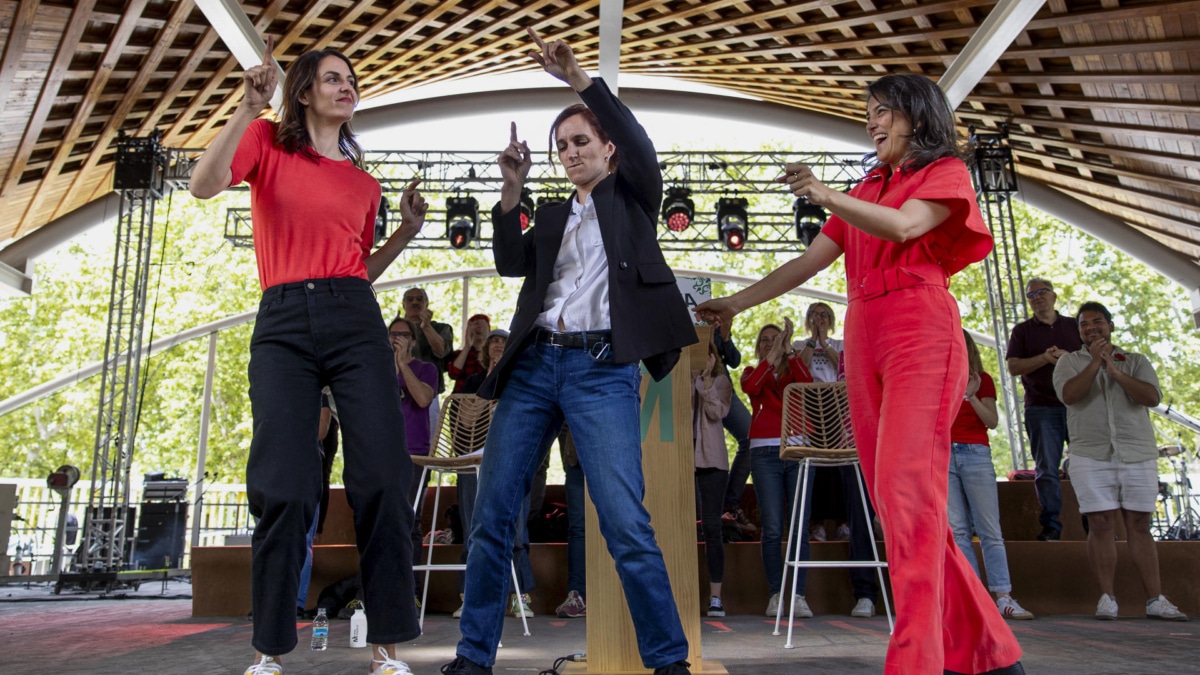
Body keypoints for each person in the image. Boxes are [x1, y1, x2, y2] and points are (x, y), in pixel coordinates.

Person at [695, 73, 1023, 674]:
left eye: (883, 112)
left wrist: (824, 193)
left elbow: (903, 227)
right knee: (900, 505)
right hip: (866, 340)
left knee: (906, 495)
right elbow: (808, 262)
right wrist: (736, 305)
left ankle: (917, 661)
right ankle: (992, 652)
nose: (872, 122)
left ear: (917, 118)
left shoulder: (942, 171)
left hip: (921, 331)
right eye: (868, 112)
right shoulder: (867, 186)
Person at [441, 28, 697, 675]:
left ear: (607, 147)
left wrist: (580, 78)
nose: (571, 152)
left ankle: (669, 663)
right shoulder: (551, 214)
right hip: (532, 368)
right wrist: (510, 189)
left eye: (581, 140)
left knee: (624, 521)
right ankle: (473, 658)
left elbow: (641, 145)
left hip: (601, 369)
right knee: (493, 514)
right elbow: (506, 262)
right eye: (562, 146)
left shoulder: (633, 196)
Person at [188, 38, 426, 675]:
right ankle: (268, 652)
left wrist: (403, 231)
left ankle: (387, 649)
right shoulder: (266, 142)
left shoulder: (364, 183)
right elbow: (202, 185)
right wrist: (245, 108)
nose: (347, 86)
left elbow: (356, 269)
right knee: (287, 488)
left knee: (381, 478)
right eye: (332, 78)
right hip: (284, 320)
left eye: (351, 79)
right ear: (303, 91)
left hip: (354, 319)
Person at [1052, 302, 1188, 622]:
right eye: (1084, 325)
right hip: (1090, 453)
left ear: (1110, 326)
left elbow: (1151, 398)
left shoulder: (1136, 360)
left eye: (1097, 322)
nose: (1091, 328)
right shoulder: (1069, 362)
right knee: (1100, 524)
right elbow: (1070, 395)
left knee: (1139, 524)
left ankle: (1155, 600)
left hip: (1136, 451)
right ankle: (1107, 598)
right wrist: (1095, 365)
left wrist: (1113, 370)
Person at [795, 301, 880, 619]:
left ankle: (867, 589)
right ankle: (820, 523)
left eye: (824, 316)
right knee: (817, 473)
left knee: (857, 499)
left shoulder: (844, 347)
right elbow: (800, 372)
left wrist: (826, 344)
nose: (819, 319)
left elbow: (844, 371)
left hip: (848, 418)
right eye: (814, 316)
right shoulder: (800, 344)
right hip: (812, 409)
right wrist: (810, 342)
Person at [950, 330, 1035, 621]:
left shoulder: (982, 379)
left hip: (975, 453)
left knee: (989, 529)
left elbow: (992, 421)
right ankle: (975, 597)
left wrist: (970, 395)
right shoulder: (936, 378)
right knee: (958, 530)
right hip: (943, 453)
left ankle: (1004, 596)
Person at [742, 320, 815, 618]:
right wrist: (769, 360)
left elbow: (807, 385)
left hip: (797, 447)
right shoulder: (752, 372)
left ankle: (798, 595)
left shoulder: (793, 371)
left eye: (776, 339)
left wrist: (790, 354)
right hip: (764, 451)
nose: (770, 343)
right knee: (772, 527)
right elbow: (750, 388)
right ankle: (776, 594)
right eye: (765, 340)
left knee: (799, 525)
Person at [1005, 277, 1082, 541]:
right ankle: (1051, 526)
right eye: (1031, 294)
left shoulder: (1075, 326)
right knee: (1046, 468)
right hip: (1040, 407)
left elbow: (1093, 360)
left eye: (1042, 292)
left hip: (1078, 405)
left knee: (1087, 465)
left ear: (1054, 296)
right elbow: (1013, 367)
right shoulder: (1022, 331)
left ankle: (1096, 522)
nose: (1037, 297)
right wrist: (1044, 359)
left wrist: (1066, 358)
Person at [389, 317, 438, 595]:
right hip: (384, 454)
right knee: (378, 520)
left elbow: (422, 399)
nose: (398, 339)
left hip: (415, 455)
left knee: (410, 522)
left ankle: (411, 592)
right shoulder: (377, 369)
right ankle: (368, 593)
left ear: (414, 341)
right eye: (394, 334)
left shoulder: (426, 368)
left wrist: (403, 365)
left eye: (404, 335)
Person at [692, 341, 733, 617]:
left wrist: (706, 381)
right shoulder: (674, 380)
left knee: (711, 528)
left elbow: (717, 413)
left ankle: (715, 597)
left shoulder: (721, 381)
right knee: (679, 526)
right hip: (681, 458)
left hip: (712, 462)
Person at [400, 287, 454, 395]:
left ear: (426, 304)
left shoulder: (441, 328)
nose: (415, 302)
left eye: (419, 299)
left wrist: (426, 326)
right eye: (410, 299)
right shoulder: (394, 330)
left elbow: (441, 351)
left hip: (430, 391)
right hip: (399, 389)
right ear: (403, 305)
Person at [448, 314, 491, 393]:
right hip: (461, 400)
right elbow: (453, 373)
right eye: (476, 324)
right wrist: (467, 346)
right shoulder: (459, 354)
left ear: (489, 330)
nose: (479, 327)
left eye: (483, 325)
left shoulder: (493, 354)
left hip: (485, 399)